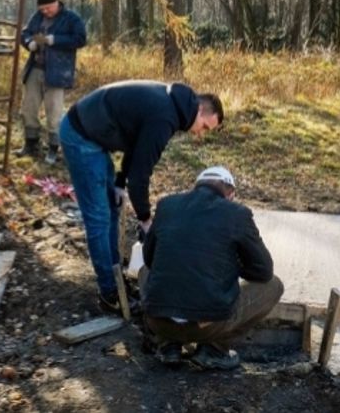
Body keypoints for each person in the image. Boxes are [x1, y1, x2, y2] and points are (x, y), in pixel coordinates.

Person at [59, 80, 224, 313]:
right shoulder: (165, 116)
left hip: (95, 135)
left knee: (112, 208)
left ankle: (116, 279)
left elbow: (136, 147)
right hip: (80, 136)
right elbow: (140, 175)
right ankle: (109, 293)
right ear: (199, 110)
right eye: (205, 127)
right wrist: (146, 220)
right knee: (99, 217)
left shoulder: (172, 105)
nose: (200, 134)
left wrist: (119, 182)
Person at [140, 166, 283, 370]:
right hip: (207, 326)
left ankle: (167, 344)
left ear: (195, 186)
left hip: (158, 320)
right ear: (230, 194)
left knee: (145, 272)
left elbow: (148, 259)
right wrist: (232, 266)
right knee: (273, 286)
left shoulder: (167, 205)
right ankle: (214, 350)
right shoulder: (237, 214)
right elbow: (263, 270)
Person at [17, 0, 86, 164]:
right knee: (28, 107)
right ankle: (31, 143)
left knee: (54, 112)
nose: (45, 12)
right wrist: (29, 43)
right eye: (42, 9)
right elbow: (24, 33)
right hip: (35, 68)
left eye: (48, 8)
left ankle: (53, 148)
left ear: (57, 3)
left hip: (57, 72)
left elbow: (81, 39)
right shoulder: (37, 17)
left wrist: (55, 40)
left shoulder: (71, 18)